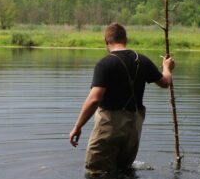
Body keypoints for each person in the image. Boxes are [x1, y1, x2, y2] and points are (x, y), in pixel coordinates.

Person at [69, 22, 174, 171]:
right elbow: (165, 82)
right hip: (133, 128)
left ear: (106, 41)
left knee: (96, 171)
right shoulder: (142, 60)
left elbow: (94, 99)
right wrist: (166, 68)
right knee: (124, 171)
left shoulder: (105, 64)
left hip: (109, 127)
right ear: (126, 39)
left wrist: (77, 127)